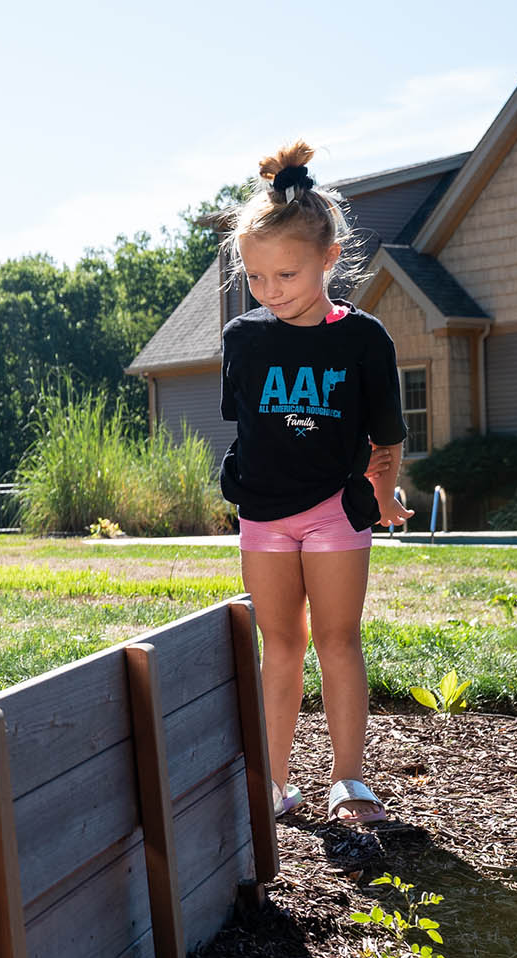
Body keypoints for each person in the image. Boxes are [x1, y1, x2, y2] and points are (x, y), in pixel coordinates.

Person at [217, 140, 413, 826]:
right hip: (264, 517)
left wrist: (384, 494)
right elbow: (248, 429)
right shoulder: (242, 340)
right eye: (258, 277)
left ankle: (348, 779)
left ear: (329, 258)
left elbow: (386, 436)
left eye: (287, 275)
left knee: (337, 639)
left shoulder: (365, 340)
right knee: (281, 644)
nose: (271, 291)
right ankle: (272, 783)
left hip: (336, 511)